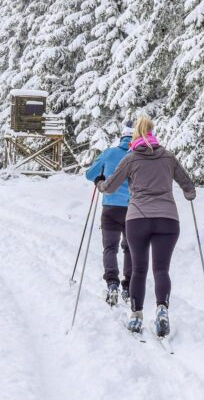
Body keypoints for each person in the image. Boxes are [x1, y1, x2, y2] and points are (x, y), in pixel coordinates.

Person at [96, 116, 195, 338]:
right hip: (168, 219)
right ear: (152, 132)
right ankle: (161, 309)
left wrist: (99, 183)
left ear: (136, 136)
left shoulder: (131, 159)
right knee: (161, 270)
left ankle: (136, 315)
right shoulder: (168, 157)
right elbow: (188, 185)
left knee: (139, 269)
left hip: (138, 219)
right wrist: (189, 194)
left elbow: (110, 187)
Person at [85, 120, 134, 306]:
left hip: (111, 208)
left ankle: (112, 283)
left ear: (122, 137)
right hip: (133, 209)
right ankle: (128, 287)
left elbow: (90, 174)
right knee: (129, 248)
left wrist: (100, 177)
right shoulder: (138, 155)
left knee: (110, 248)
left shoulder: (110, 153)